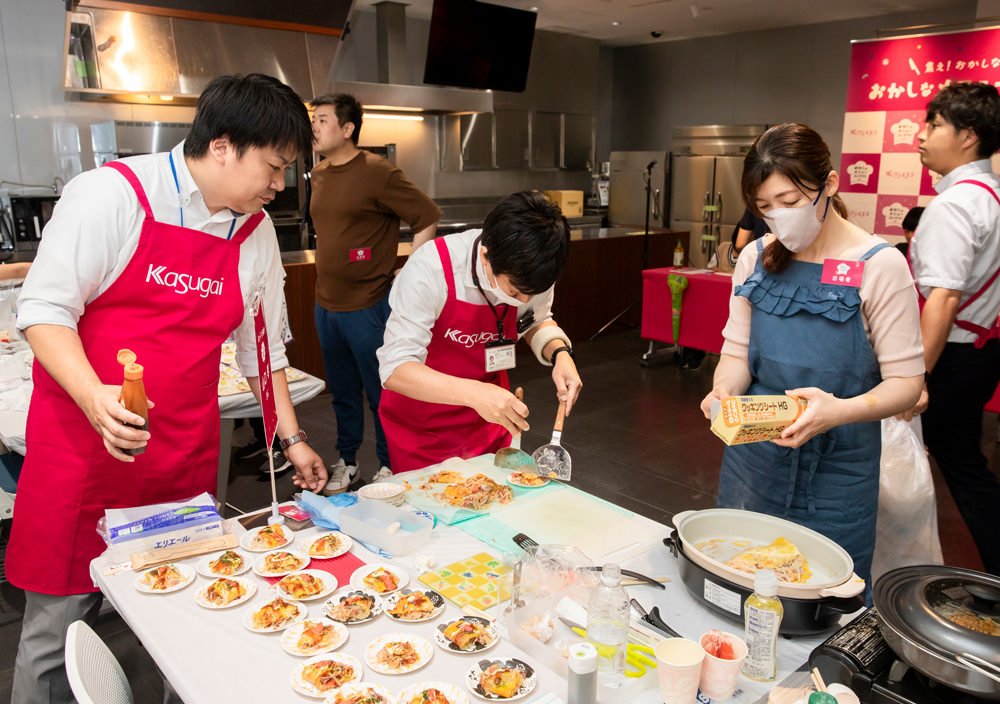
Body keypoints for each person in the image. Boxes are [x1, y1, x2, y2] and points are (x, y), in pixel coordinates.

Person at [5, 73, 328, 704]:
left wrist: (291, 438)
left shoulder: (253, 232)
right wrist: (96, 396)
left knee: (180, 618)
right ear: (225, 145)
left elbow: (263, 350)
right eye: (275, 166)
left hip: (179, 456)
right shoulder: (112, 196)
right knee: (54, 634)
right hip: (81, 454)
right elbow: (43, 310)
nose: (279, 185)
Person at [699, 123, 924, 595]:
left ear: (831, 185)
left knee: (822, 592)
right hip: (755, 455)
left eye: (790, 201)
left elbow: (906, 384)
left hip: (838, 466)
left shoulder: (880, 265)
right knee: (737, 578)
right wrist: (724, 390)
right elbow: (737, 353)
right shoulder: (755, 257)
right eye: (764, 208)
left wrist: (837, 411)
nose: (777, 218)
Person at [377, 191, 583, 472]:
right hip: (423, 428)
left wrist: (560, 353)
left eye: (530, 293)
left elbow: (535, 319)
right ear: (486, 257)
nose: (522, 301)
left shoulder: (536, 269)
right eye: (514, 291)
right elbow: (395, 368)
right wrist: (475, 394)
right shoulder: (431, 268)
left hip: (491, 419)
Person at [308, 93, 442, 494]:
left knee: (381, 393)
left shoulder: (377, 171)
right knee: (342, 393)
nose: (314, 127)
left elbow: (427, 215)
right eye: (313, 120)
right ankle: (347, 461)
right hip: (325, 304)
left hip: (368, 306)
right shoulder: (319, 174)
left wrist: (408, 274)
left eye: (323, 120)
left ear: (347, 129)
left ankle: (389, 464)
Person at [904, 82, 1000, 576]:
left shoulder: (955, 205)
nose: (921, 136)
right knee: (963, 460)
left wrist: (914, 379)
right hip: (982, 351)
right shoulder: (992, 195)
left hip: (951, 356)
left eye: (934, 124)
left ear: (969, 136)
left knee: (894, 452)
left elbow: (942, 297)